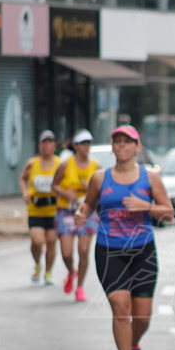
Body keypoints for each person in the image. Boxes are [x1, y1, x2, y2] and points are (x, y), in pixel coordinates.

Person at [75, 125, 172, 350]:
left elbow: (169, 213)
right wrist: (81, 213)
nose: (122, 146)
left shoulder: (150, 178)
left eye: (128, 141)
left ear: (138, 147)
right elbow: (89, 204)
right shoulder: (99, 178)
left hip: (143, 251)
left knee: (141, 318)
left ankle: (134, 343)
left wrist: (146, 206)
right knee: (121, 308)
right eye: (117, 141)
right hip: (109, 249)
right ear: (112, 147)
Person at [53, 129, 100, 302]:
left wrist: (91, 187)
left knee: (84, 249)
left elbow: (103, 190)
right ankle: (71, 271)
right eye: (83, 144)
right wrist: (66, 193)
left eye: (88, 143)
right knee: (66, 252)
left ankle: (80, 287)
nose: (86, 147)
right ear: (76, 146)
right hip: (66, 211)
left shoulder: (96, 166)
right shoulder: (66, 165)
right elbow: (54, 185)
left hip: (87, 211)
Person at [19, 130, 61, 285]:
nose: (47, 145)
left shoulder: (59, 164)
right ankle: (37, 264)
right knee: (37, 241)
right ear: (40, 145)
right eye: (44, 142)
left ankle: (48, 272)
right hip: (35, 208)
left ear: (54, 145)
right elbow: (23, 179)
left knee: (51, 241)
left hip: (54, 210)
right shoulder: (32, 163)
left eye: (50, 142)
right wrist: (25, 192)